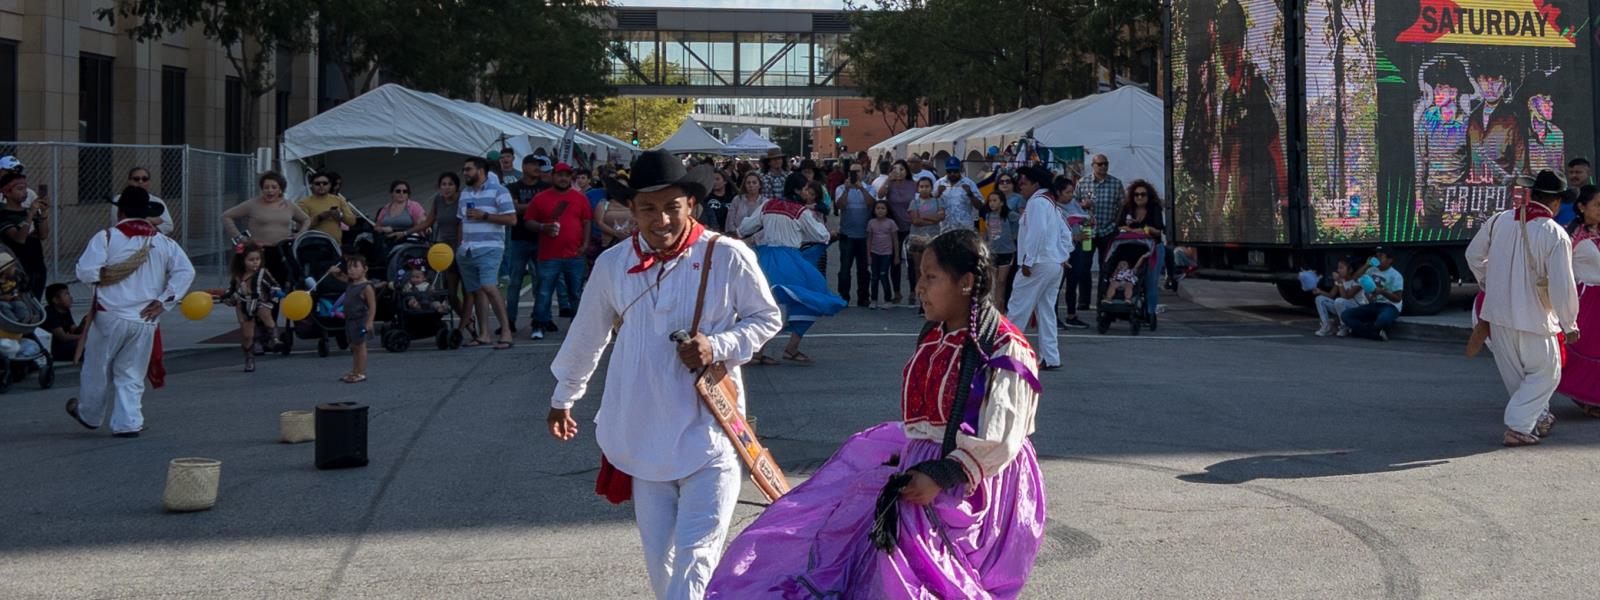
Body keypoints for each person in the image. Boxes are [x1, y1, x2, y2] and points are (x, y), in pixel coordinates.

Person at [707, 229, 1046, 599]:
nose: (919, 287)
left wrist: (943, 473)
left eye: (931, 277)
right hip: (921, 468)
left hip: (973, 480)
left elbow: (1002, 438)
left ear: (966, 283)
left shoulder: (1003, 347)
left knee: (920, 579)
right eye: (920, 275)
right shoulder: (935, 335)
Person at [549, 150, 782, 600]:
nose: (661, 219)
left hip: (709, 434)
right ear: (631, 210)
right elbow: (587, 334)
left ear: (690, 205)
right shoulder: (613, 264)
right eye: (648, 208)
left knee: (696, 558)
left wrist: (718, 345)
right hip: (643, 433)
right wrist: (565, 395)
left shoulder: (726, 255)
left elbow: (765, 318)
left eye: (671, 207)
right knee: (662, 565)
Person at [66, 187, 195, 438]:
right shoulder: (163, 242)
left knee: (97, 367)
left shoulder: (107, 237)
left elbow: (86, 272)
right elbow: (186, 271)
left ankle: (91, 415)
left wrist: (103, 277)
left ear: (120, 211)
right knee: (131, 371)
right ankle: (129, 422)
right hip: (146, 317)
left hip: (109, 315)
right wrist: (164, 300)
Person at [1465, 170, 1580, 446]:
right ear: (1557, 202)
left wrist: (1487, 282)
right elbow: (1562, 287)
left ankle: (1537, 417)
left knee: (1517, 377)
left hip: (1499, 315)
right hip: (1536, 316)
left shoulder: (1499, 221)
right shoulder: (1555, 234)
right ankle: (1518, 425)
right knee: (1547, 373)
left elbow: (1473, 255)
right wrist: (1570, 322)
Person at [739, 174, 846, 364]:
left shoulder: (768, 205)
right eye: (805, 188)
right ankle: (790, 347)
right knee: (814, 295)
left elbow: (745, 226)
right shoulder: (801, 212)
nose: (808, 191)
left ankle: (759, 350)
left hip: (766, 258)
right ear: (797, 191)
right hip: (790, 260)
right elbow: (821, 235)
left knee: (768, 305)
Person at [1008, 166, 1071, 370]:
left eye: (1024, 183)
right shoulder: (1052, 204)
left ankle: (1007, 354)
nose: (1021, 187)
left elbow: (1038, 232)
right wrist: (1062, 255)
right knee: (1046, 311)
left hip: (1038, 263)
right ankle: (1051, 357)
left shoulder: (1037, 203)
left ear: (1035, 184)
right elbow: (1066, 234)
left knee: (1018, 309)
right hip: (1052, 264)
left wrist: (1029, 261)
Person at [525, 162, 593, 341]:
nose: (563, 178)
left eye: (567, 175)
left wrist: (585, 244)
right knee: (544, 292)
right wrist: (543, 227)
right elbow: (528, 221)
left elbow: (586, 222)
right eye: (560, 175)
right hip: (549, 255)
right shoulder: (540, 198)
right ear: (552, 176)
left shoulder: (579, 198)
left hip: (574, 254)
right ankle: (539, 324)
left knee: (575, 293)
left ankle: (577, 324)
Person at [457, 157, 518, 349]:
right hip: (467, 249)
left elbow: (512, 219)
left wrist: (485, 215)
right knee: (477, 291)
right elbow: (461, 221)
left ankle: (506, 332)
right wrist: (459, 246)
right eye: (464, 170)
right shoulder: (465, 193)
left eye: (468, 169)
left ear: (480, 171)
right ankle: (484, 334)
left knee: (489, 287)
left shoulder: (499, 191)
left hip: (490, 247)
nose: (465, 173)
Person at [221, 171, 311, 285]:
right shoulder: (252, 204)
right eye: (266, 187)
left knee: (282, 283)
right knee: (258, 284)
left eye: (274, 187)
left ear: (280, 190)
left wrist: (300, 234)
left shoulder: (289, 205)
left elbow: (306, 219)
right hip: (259, 252)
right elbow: (226, 216)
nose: (270, 190)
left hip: (282, 251)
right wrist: (239, 238)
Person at [1558, 185, 1600, 415]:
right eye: (1597, 205)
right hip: (1587, 301)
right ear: (1582, 207)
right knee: (1587, 351)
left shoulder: (1595, 232)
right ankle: (1587, 398)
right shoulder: (1570, 235)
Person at [504, 155, 549, 336]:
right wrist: (535, 206)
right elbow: (513, 209)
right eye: (533, 165)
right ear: (524, 167)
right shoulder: (514, 187)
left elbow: (547, 209)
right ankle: (510, 319)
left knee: (540, 281)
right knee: (515, 281)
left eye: (539, 165)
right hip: (519, 238)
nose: (537, 168)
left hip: (541, 238)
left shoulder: (546, 187)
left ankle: (539, 318)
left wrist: (526, 207)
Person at [221, 243, 281, 372]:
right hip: (244, 304)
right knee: (248, 335)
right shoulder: (238, 276)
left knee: (266, 316)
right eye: (251, 260)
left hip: (260, 300)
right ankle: (249, 358)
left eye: (257, 259)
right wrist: (226, 297)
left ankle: (275, 339)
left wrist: (276, 291)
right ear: (242, 261)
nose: (255, 263)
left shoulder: (263, 273)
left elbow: (274, 284)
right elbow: (231, 290)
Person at [1117, 180, 1167, 312]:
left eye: (1143, 194)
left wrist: (1143, 229)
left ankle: (1150, 312)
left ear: (1148, 196)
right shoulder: (1127, 207)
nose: (1139, 197)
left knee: (1151, 281)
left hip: (1153, 248)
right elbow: (1119, 225)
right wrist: (1134, 230)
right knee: (1128, 278)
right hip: (1132, 248)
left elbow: (1158, 230)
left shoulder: (1154, 208)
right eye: (1136, 194)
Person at [0, 172, 48, 299]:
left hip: (36, 264)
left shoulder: (27, 212)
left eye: (25, 188)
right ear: (7, 192)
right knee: (20, 305)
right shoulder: (3, 214)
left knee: (36, 303)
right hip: (16, 268)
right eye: (20, 189)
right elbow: (19, 239)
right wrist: (31, 214)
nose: (25, 192)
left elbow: (43, 235)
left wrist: (43, 215)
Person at [1340, 247, 1405, 341]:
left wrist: (1382, 291)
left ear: (1389, 260)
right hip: (1373, 304)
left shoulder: (1395, 275)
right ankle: (1375, 334)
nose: (1377, 259)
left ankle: (1360, 331)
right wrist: (1367, 265)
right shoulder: (1372, 270)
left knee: (1382, 321)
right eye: (1376, 256)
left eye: (1381, 256)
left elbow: (1397, 299)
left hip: (1390, 306)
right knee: (1346, 315)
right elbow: (1355, 278)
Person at [331, 255, 376, 383]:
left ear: (365, 269)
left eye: (356, 267)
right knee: (354, 347)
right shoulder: (351, 282)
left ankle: (361, 372)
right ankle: (355, 371)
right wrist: (334, 272)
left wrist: (370, 321)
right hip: (350, 320)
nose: (351, 270)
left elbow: (372, 306)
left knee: (361, 346)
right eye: (349, 267)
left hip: (360, 320)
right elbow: (341, 276)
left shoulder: (366, 286)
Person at [834, 162, 874, 307]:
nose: (855, 174)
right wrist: (847, 190)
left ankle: (863, 297)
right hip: (847, 234)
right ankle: (844, 296)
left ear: (863, 173)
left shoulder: (870, 188)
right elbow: (839, 206)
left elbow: (871, 203)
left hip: (864, 235)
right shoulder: (841, 188)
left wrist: (861, 189)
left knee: (863, 270)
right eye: (853, 172)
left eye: (858, 171)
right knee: (845, 269)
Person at [879, 160, 919, 305]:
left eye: (901, 169)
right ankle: (897, 292)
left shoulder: (913, 185)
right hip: (894, 227)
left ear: (907, 171)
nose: (898, 172)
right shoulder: (890, 184)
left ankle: (913, 292)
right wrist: (888, 180)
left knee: (911, 260)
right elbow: (880, 194)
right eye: (895, 169)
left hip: (911, 226)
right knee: (894, 260)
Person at [1056, 177, 1093, 329]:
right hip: (1061, 249)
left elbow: (1084, 218)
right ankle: (1053, 316)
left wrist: (1087, 221)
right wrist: (1073, 236)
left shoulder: (1073, 204)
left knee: (1073, 281)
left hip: (1076, 247)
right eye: (1067, 192)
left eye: (1072, 192)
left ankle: (1072, 315)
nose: (1071, 195)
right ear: (1058, 192)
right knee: (1057, 284)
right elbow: (1053, 231)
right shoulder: (1052, 207)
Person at [906, 177, 946, 313]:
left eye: (927, 186)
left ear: (931, 187)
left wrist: (925, 218)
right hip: (917, 240)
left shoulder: (937, 201)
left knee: (933, 270)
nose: (924, 189)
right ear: (918, 188)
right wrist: (931, 219)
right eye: (921, 186)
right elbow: (915, 220)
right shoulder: (914, 202)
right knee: (919, 270)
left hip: (933, 239)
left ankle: (932, 298)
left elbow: (941, 216)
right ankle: (921, 301)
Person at [1076, 154, 1125, 262]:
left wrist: (1116, 223)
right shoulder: (1083, 182)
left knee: (1106, 263)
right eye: (1100, 164)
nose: (1103, 166)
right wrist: (1082, 205)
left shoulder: (1116, 183)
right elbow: (1074, 204)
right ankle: (1085, 280)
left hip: (1108, 230)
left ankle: (1104, 280)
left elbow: (1122, 206)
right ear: (1093, 165)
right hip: (1087, 231)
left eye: (1106, 164)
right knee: (1084, 263)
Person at [110, 167, 174, 235]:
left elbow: (169, 226)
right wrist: (150, 220)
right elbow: (118, 221)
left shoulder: (157, 201)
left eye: (144, 179)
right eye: (136, 179)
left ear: (149, 182)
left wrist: (147, 230)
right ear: (129, 181)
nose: (140, 181)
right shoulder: (119, 199)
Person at [296, 172, 359, 241]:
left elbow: (352, 222)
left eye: (325, 183)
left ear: (330, 185)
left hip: (336, 245)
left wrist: (340, 216)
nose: (321, 186)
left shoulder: (339, 200)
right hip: (314, 245)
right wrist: (319, 217)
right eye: (317, 183)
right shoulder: (304, 203)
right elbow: (300, 227)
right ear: (312, 185)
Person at [983, 191, 1019, 310]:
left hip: (1007, 252)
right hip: (993, 251)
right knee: (992, 280)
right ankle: (993, 308)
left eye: (995, 200)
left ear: (1002, 202)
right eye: (990, 201)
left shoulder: (1010, 215)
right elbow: (989, 232)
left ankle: (1001, 307)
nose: (992, 203)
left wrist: (1013, 237)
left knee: (1002, 280)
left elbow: (1019, 226)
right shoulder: (989, 215)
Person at [1313, 257, 1365, 337]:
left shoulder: (1358, 281)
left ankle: (1344, 326)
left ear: (1350, 270)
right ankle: (1326, 326)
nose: (1338, 270)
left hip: (1357, 308)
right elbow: (1331, 295)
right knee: (1320, 299)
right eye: (1338, 268)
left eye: (1341, 268)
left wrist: (1340, 282)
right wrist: (1320, 291)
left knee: (1339, 300)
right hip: (1342, 306)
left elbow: (1346, 296)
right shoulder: (1341, 280)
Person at [933, 157, 982, 232]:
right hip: (944, 229)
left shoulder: (969, 183)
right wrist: (938, 194)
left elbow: (980, 206)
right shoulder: (939, 183)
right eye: (949, 171)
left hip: (965, 229)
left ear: (960, 170)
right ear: (946, 171)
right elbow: (929, 206)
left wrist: (970, 194)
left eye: (955, 171)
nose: (952, 174)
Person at [866, 200, 899, 309]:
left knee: (884, 275)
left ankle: (887, 299)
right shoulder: (871, 222)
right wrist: (868, 255)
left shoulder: (891, 223)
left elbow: (895, 240)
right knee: (874, 277)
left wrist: (896, 256)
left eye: (883, 208)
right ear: (874, 210)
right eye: (878, 208)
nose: (880, 211)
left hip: (887, 253)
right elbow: (869, 240)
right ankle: (874, 299)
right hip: (874, 253)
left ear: (887, 210)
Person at [42, 283, 80, 362]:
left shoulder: (65, 310)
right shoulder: (50, 312)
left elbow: (73, 329)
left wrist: (84, 324)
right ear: (56, 300)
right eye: (66, 295)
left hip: (64, 345)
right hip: (53, 349)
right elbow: (63, 337)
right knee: (82, 345)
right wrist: (84, 337)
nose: (70, 297)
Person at [726, 172, 765, 243]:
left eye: (754, 182)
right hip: (736, 239)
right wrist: (735, 235)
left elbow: (765, 227)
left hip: (758, 241)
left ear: (760, 185)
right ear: (745, 185)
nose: (751, 185)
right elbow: (730, 220)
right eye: (748, 183)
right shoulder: (737, 199)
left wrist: (750, 240)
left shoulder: (765, 202)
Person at [1558, 158, 1592, 226]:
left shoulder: (1596, 196)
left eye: (1578, 172)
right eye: (1571, 172)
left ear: (1588, 173)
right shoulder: (1560, 198)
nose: (1573, 175)